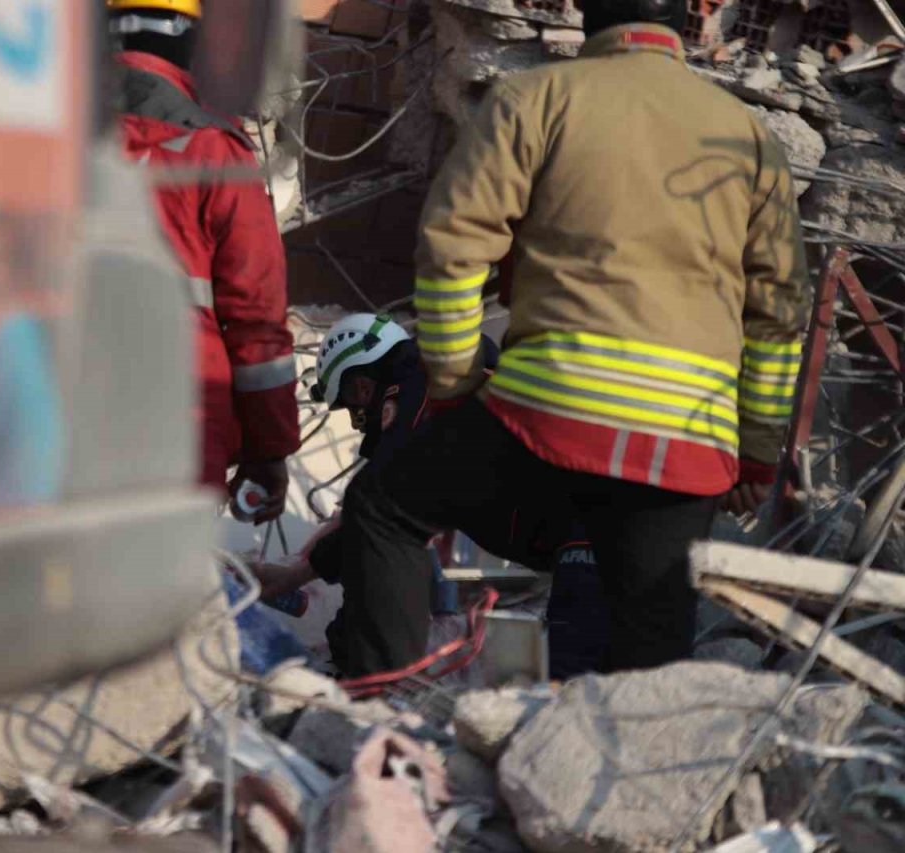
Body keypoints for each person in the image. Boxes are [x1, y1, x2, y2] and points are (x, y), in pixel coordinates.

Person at [331, 0, 811, 677]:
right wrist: (757, 453)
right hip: (686, 442)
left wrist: (455, 383)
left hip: (547, 414)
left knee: (384, 507)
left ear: (590, 19)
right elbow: (780, 313)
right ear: (688, 26)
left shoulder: (535, 98)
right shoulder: (749, 136)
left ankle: (377, 703)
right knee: (652, 643)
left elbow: (451, 251)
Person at [253, 314, 609, 678]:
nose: (363, 428)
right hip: (598, 527)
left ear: (362, 388)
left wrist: (342, 662)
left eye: (358, 415)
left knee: (576, 680)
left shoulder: (416, 394)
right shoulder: (448, 395)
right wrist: (306, 570)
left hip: (590, 529)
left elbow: (376, 529)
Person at [109, 0, 299, 520]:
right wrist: (268, 449)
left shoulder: (48, 140)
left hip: (47, 429)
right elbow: (257, 318)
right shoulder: (216, 152)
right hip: (176, 430)